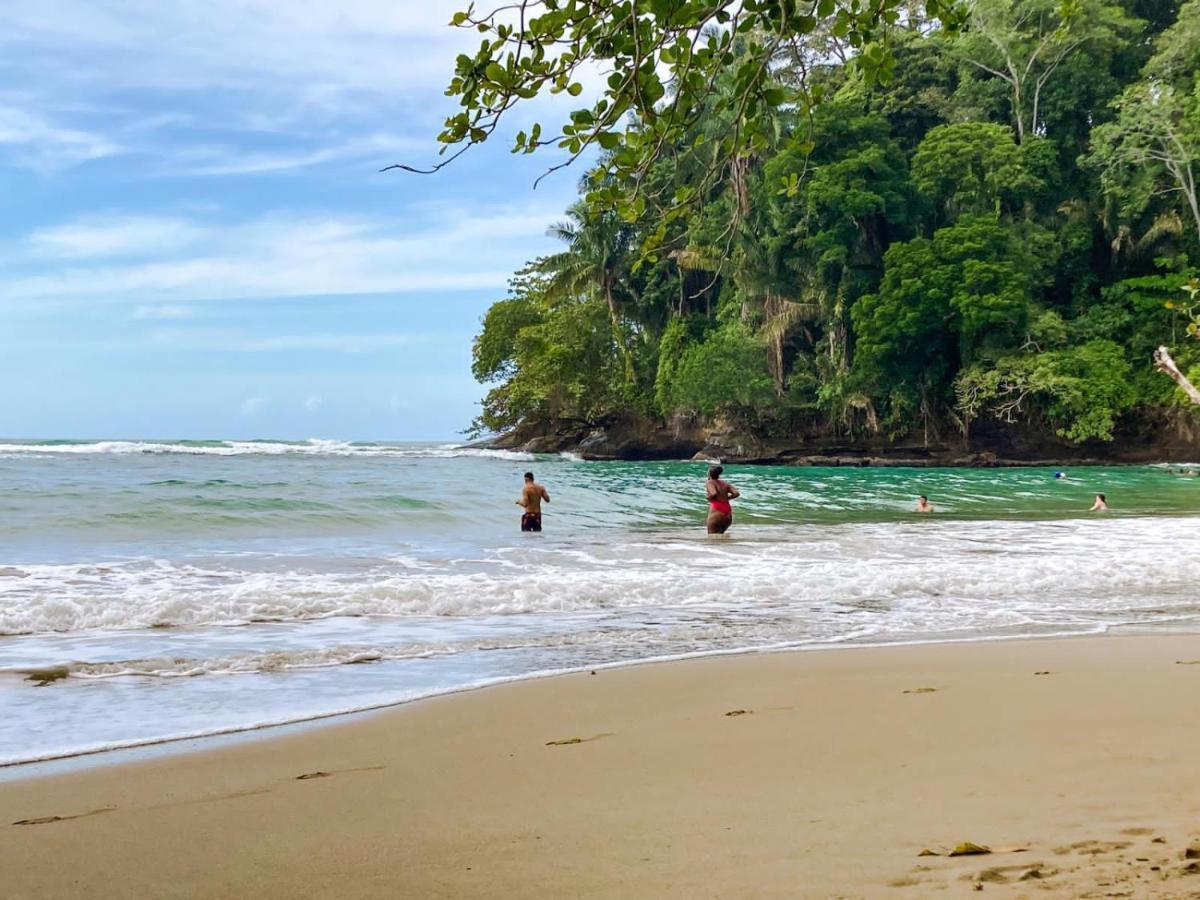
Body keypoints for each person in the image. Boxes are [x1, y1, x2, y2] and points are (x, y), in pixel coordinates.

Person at [705, 465, 739, 534]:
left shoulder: (710, 482)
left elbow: (714, 493)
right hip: (727, 510)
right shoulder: (725, 483)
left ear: (709, 474)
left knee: (712, 536)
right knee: (720, 535)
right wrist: (727, 498)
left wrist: (708, 497)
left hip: (717, 509)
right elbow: (736, 493)